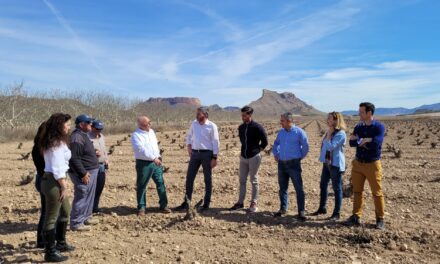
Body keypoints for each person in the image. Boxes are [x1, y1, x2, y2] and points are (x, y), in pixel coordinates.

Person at [39, 113, 75, 262]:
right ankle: (50, 252)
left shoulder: (58, 141)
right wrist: (63, 185)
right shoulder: (55, 143)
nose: (69, 127)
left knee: (65, 211)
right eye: (67, 124)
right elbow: (57, 167)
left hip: (57, 180)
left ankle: (61, 243)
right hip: (55, 182)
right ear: (59, 125)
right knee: (51, 217)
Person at [345, 102, 386, 230]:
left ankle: (380, 219)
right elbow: (351, 142)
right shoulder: (359, 126)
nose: (359, 114)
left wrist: (362, 141)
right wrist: (365, 140)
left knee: (377, 193)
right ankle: (356, 216)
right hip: (358, 164)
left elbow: (376, 143)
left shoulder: (379, 126)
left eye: (361, 112)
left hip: (372, 164)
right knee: (357, 192)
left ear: (369, 113)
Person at [175, 107, 220, 212]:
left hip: (207, 154)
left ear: (205, 115)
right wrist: (189, 146)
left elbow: (216, 142)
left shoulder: (212, 126)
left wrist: (215, 157)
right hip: (195, 154)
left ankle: (206, 204)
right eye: (197, 114)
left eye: (199, 114)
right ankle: (187, 202)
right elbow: (189, 136)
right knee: (189, 177)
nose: (197, 115)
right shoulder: (194, 124)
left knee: (207, 179)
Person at [229, 106, 268, 213]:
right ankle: (240, 202)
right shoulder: (241, 128)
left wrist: (256, 150)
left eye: (244, 115)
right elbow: (242, 141)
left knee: (254, 180)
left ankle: (254, 203)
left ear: (250, 115)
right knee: (242, 180)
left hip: (254, 157)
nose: (242, 117)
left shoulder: (257, 127)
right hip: (243, 157)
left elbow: (265, 142)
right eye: (242, 115)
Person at [272, 112, 309, 221]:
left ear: (289, 121)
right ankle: (283, 208)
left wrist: (299, 157)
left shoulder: (299, 132)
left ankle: (301, 211)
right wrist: (276, 153)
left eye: (282, 120)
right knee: (282, 188)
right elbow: (275, 144)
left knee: (298, 188)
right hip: (281, 164)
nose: (280, 122)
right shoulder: (281, 132)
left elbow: (306, 146)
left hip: (294, 164)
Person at [131, 116, 171, 215]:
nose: (150, 124)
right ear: (141, 124)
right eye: (147, 122)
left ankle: (163, 205)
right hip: (144, 163)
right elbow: (141, 150)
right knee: (142, 185)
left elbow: (155, 146)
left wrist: (158, 156)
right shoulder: (136, 135)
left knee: (160, 183)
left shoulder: (152, 132)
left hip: (156, 162)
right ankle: (141, 207)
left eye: (150, 122)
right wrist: (154, 158)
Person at [311, 112, 347, 221]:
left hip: (335, 164)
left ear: (336, 120)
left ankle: (336, 213)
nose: (328, 120)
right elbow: (324, 147)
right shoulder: (329, 131)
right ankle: (322, 208)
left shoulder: (341, 134)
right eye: (328, 118)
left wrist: (329, 135)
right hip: (327, 163)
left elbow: (330, 147)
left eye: (330, 119)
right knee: (323, 185)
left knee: (337, 188)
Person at [69, 114, 100, 231]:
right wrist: (82, 173)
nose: (91, 124)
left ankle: (86, 217)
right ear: (82, 124)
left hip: (91, 170)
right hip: (84, 172)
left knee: (89, 195)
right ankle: (76, 222)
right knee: (82, 194)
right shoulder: (76, 137)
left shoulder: (83, 135)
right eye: (89, 122)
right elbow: (74, 158)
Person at [31, 121, 48, 249]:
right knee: (47, 211)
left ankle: (42, 240)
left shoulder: (36, 146)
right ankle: (42, 240)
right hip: (45, 180)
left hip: (39, 178)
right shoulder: (43, 148)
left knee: (46, 210)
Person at [88, 120, 109, 213]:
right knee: (91, 188)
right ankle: (88, 209)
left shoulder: (102, 137)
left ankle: (95, 207)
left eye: (101, 129)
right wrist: (93, 153)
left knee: (99, 187)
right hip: (92, 166)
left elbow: (104, 150)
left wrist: (106, 159)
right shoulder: (87, 137)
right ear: (92, 127)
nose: (99, 131)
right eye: (97, 129)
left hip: (102, 165)